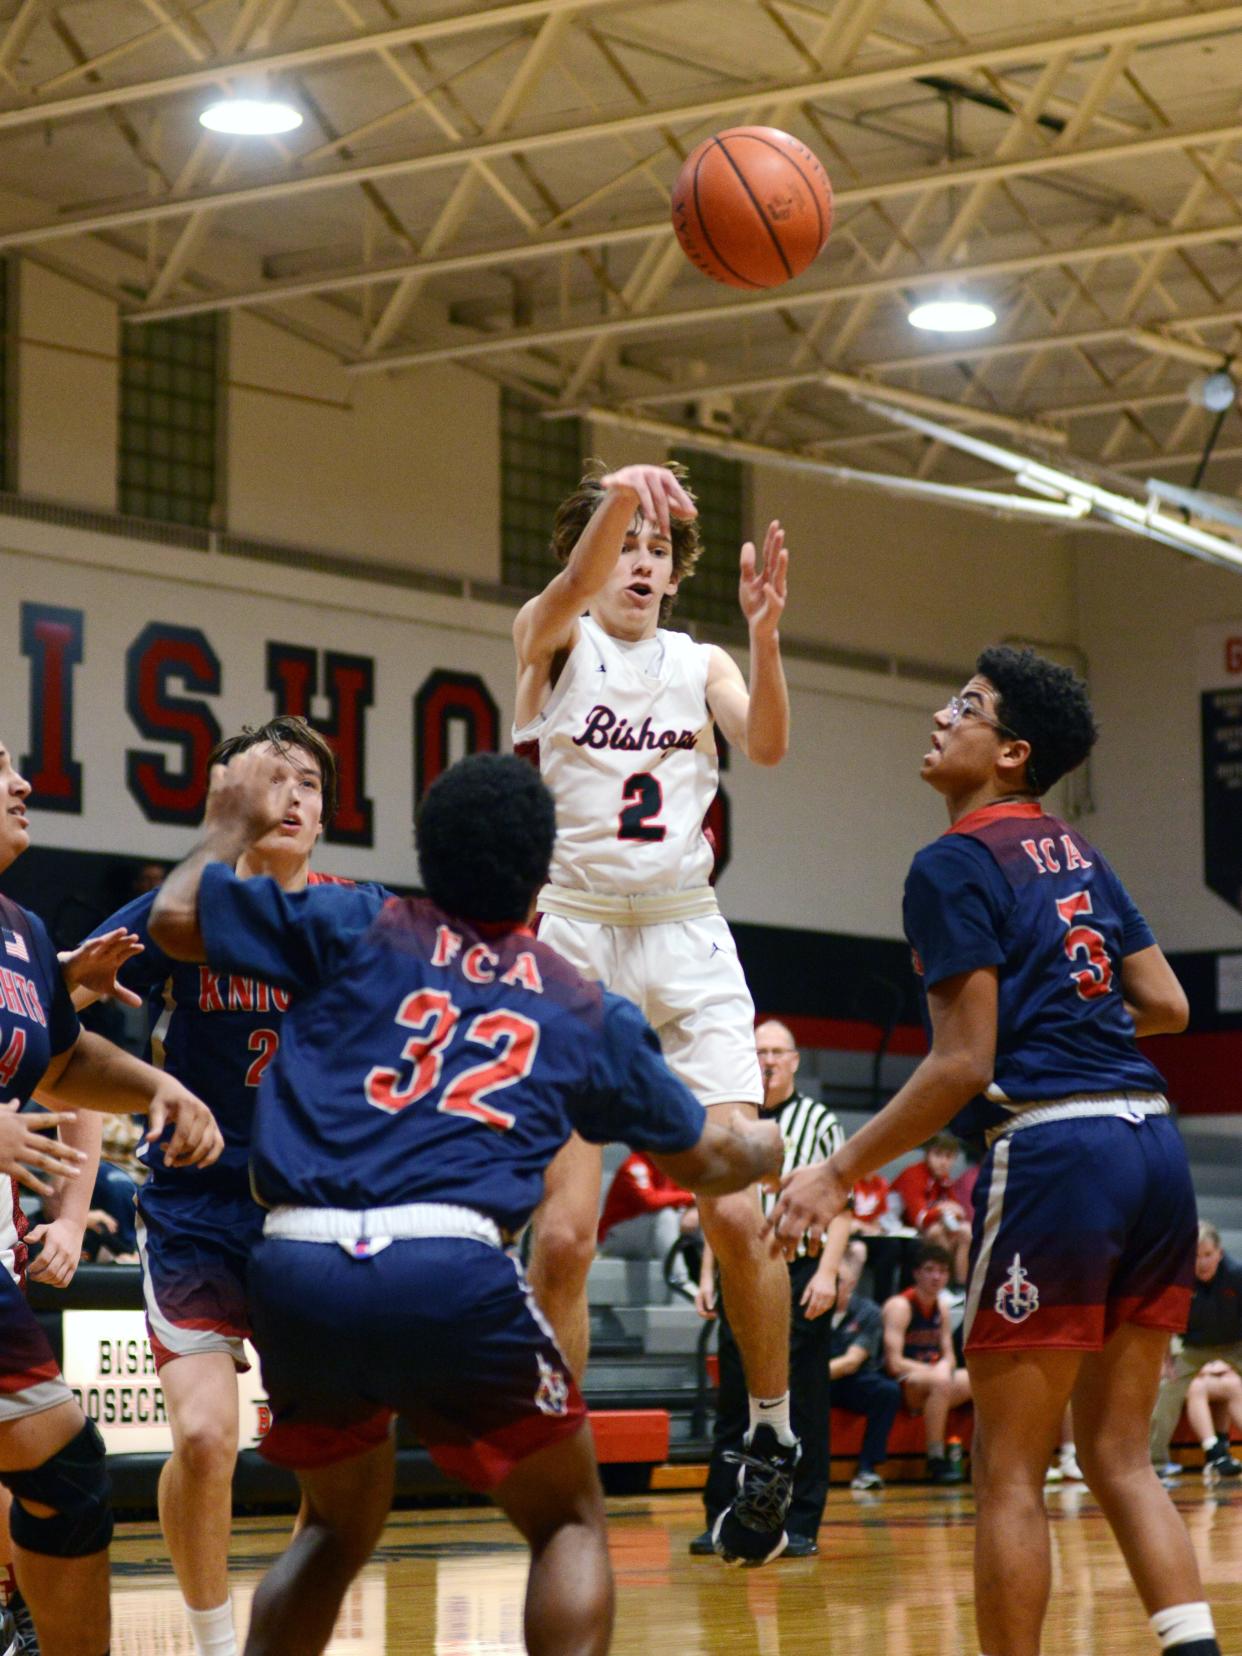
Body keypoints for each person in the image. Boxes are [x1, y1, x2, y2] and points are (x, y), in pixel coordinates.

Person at [147, 748, 784, 1656]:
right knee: (567, 1523)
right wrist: (775, 1146)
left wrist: (229, 825)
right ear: (543, 877)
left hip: (296, 1264)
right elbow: (714, 1158)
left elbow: (175, 915)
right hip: (449, 1264)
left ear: (426, 849)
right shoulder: (579, 1002)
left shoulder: (357, 922)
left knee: (332, 1532)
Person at [769, 646, 1220, 1656]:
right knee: (1119, 1457)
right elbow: (1168, 1004)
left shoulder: (951, 862)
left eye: (964, 707)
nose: (939, 716)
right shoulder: (1077, 851)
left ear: (1011, 754)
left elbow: (962, 1064)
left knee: (1009, 1470)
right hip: (1153, 1145)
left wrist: (838, 1170)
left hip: (1059, 1151)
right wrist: (1069, 1018)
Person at [512, 460, 798, 1564]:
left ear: (677, 579)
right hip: (574, 936)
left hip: (686, 933)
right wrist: (619, 502)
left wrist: (766, 636)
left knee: (733, 1212)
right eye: (624, 546)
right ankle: (558, 1469)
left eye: (658, 551)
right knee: (569, 1238)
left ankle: (767, 1439)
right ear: (588, 564)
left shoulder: (700, 660)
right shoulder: (551, 635)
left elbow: (766, 748)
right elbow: (569, 585)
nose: (641, 563)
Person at [75, 715, 385, 1656]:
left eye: (308, 784)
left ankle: (284, 1637)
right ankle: (213, 1642)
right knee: (207, 1439)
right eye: (271, 779)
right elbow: (54, 1011)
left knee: (339, 1466)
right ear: (228, 801)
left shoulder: (362, 912)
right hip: (198, 1209)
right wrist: (66, 985)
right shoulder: (182, 910)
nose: (291, 797)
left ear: (326, 815)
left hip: (317, 1217)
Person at [0, 736, 221, 1656]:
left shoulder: (21, 929)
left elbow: (59, 1060)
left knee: (64, 1469)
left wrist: (154, 1087)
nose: (23, 783)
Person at [692, 1019, 847, 1558]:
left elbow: (842, 1210)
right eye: (759, 1051)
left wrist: (829, 1271)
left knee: (802, 1398)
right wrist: (708, 1273)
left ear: (796, 1060)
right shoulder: (730, 1118)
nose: (768, 1060)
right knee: (733, 1396)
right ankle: (721, 1516)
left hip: (801, 1271)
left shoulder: (819, 1121)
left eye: (778, 1051)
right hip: (743, 1268)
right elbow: (718, 1205)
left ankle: (799, 1520)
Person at [1150, 1222, 1242, 1478]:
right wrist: (1165, 1359)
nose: (1201, 1262)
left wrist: (1226, 1363)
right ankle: (1155, 1464)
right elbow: (1165, 1322)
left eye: (1207, 1255)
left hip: (1235, 1346)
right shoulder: (1178, 1280)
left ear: (1219, 1253)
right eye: (1195, 1256)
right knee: (1165, 1391)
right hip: (1193, 1349)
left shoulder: (1237, 1275)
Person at [881, 1243, 972, 1484]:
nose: (936, 1276)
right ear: (916, 1273)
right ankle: (935, 1458)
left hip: (934, 1381)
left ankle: (980, 1457)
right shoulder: (900, 1306)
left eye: (942, 1271)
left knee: (981, 1380)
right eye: (929, 1270)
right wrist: (936, 1371)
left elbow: (950, 1355)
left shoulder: (941, 1307)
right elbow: (894, 1363)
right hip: (905, 1382)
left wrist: (945, 1366)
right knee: (941, 1381)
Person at [828, 1239, 901, 1492]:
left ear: (850, 1285)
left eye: (838, 1281)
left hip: (849, 1380)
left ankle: (867, 1468)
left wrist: (811, 1374)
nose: (831, 1285)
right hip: (816, 1384)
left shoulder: (867, 1311)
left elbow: (851, 1362)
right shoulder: (810, 1308)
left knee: (887, 1392)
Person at [890, 1134, 971, 1284]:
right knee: (937, 1232)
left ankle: (961, 1286)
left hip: (923, 1228)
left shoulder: (944, 1180)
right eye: (938, 1155)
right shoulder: (913, 1174)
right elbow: (919, 1218)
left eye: (949, 1157)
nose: (943, 1162)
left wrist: (954, 1211)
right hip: (898, 1230)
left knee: (965, 1230)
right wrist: (942, 1209)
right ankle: (943, 1286)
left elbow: (956, 1214)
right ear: (927, 1154)